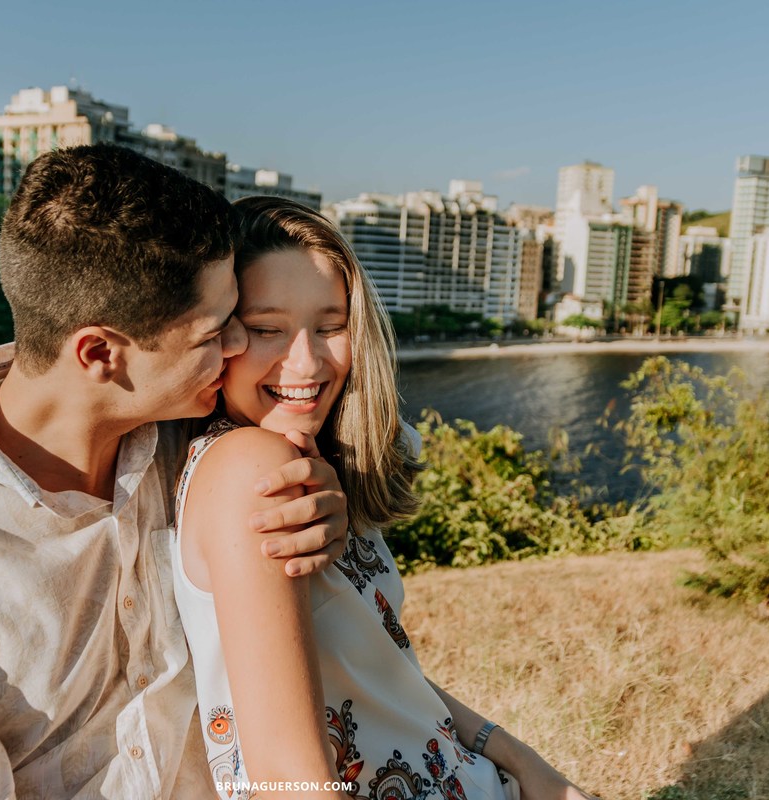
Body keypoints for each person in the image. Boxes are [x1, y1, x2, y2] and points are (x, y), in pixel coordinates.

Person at [0, 145, 352, 799]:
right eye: (214, 335)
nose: (239, 347)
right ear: (100, 353)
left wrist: (318, 507)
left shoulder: (200, 448)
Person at [173, 197, 596, 800]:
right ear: (218, 334)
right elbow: (289, 780)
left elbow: (380, 670)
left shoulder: (318, 462)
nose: (308, 361)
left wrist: (524, 762)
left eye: (332, 325)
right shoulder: (254, 470)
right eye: (267, 329)